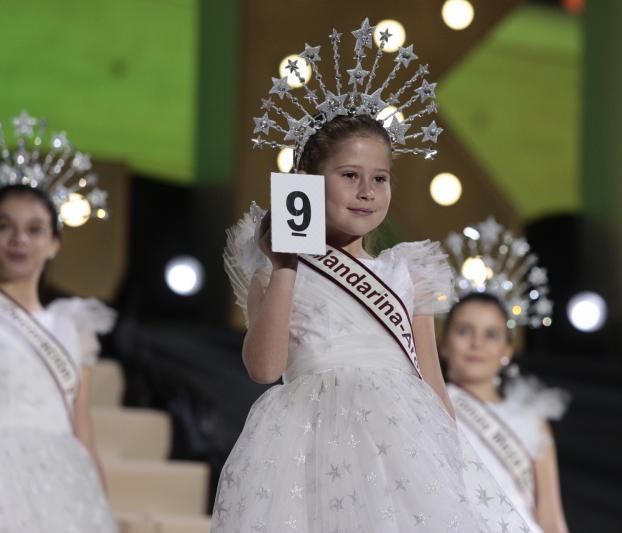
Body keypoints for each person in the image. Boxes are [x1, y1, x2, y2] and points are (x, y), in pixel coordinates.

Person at [212, 19, 529, 533]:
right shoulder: (273, 268)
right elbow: (265, 369)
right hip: (307, 444)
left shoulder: (407, 272)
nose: (366, 191)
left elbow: (432, 382)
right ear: (309, 186)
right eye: (348, 177)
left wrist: (451, 467)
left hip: (402, 446)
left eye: (379, 179)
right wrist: (287, 264)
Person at [0, 182, 117, 532]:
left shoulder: (74, 325)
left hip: (61, 477)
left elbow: (81, 423)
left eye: (34, 229)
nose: (19, 239)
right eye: (4, 226)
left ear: (54, 244)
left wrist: (99, 503)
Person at [442, 292, 569, 533]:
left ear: (507, 351)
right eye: (464, 331)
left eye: (491, 334)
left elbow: (551, 517)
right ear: (444, 343)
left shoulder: (532, 420)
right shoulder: (430, 405)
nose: (476, 343)